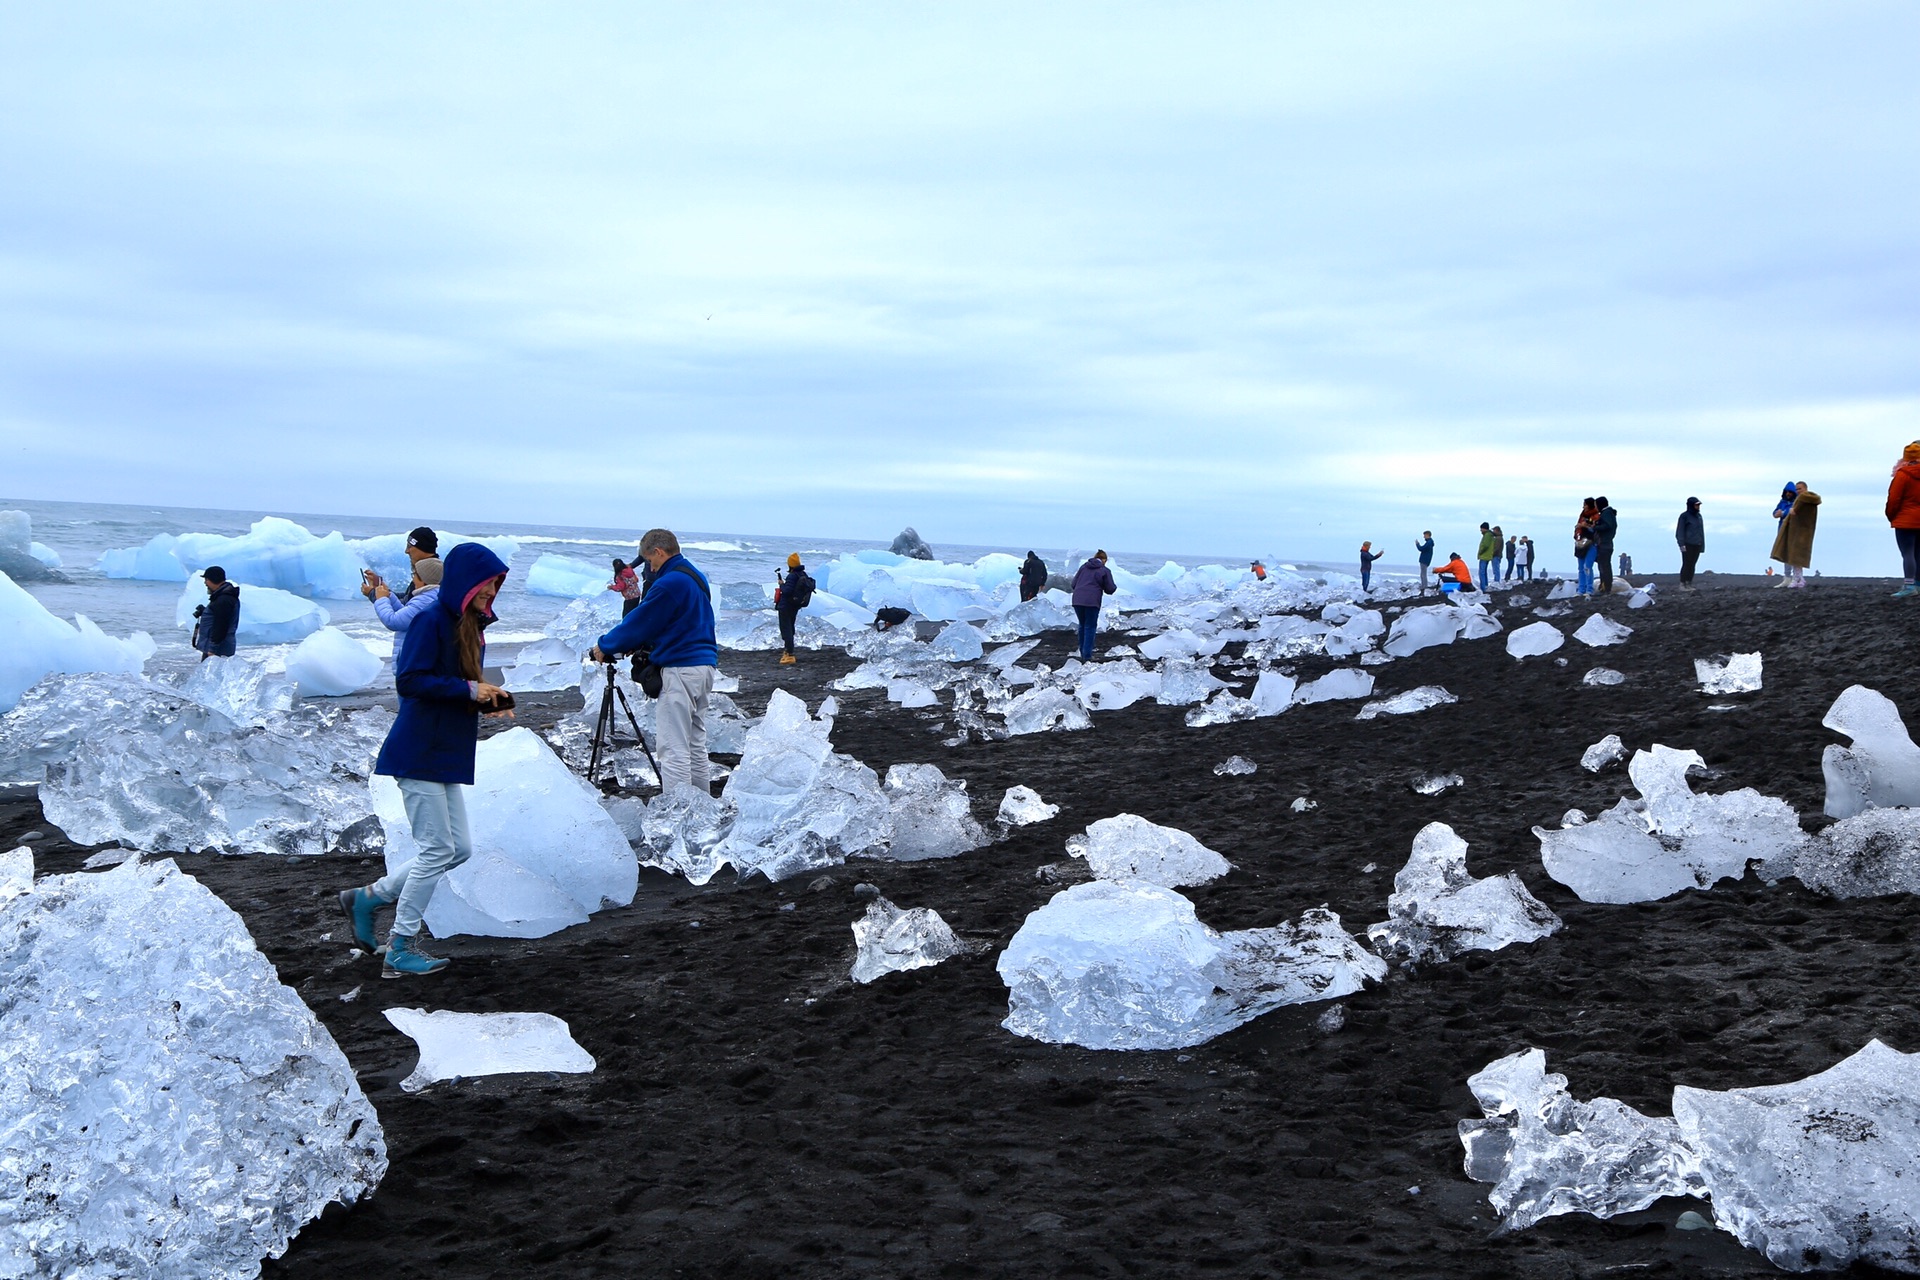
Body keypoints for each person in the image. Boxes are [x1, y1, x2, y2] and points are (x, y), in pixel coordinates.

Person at [337, 543, 513, 978]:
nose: (492, 592)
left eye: (496, 586)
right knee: (437, 850)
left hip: (444, 751)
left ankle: (368, 898)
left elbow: (456, 682)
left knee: (457, 849)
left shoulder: (467, 625)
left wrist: (492, 698)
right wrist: (472, 692)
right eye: (488, 584)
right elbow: (411, 680)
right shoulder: (430, 620)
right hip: (418, 749)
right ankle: (400, 946)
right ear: (466, 582)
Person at [589, 530, 718, 793]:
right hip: (703, 666)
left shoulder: (671, 582)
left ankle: (680, 812)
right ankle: (703, 810)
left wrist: (604, 645)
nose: (649, 568)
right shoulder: (694, 577)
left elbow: (639, 622)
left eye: (650, 561)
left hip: (681, 668)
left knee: (673, 748)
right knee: (694, 745)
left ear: (658, 552)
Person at [369, 556, 443, 655]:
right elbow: (405, 614)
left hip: (413, 658)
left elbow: (393, 621)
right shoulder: (432, 596)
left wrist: (381, 599)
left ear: (423, 579)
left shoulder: (424, 600)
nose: (413, 580)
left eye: (415, 575)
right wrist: (389, 595)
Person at [1770, 482, 1820, 589]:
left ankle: (1796, 578)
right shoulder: (1786, 502)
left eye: (1799, 489)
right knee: (1787, 554)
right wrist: (1778, 513)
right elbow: (1776, 512)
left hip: (1798, 530)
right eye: (1796, 489)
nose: (1796, 492)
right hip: (1788, 529)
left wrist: (1785, 512)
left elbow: (1796, 511)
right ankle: (1792, 578)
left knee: (1795, 555)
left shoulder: (1802, 500)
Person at [1886, 444, 1920, 598]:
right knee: (1918, 553)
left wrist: (1891, 516)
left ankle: (1909, 585)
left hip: (1905, 521)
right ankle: (1917, 584)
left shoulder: (1902, 475)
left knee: (1908, 553)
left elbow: (1894, 499)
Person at [1070, 551, 1116, 661]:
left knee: (1082, 625)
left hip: (1077, 599)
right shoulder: (1104, 570)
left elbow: (1073, 584)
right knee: (1090, 626)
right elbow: (1110, 589)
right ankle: (1087, 655)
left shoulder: (1083, 567)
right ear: (1104, 559)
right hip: (1092, 601)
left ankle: (1082, 652)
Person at [191, 566, 241, 660]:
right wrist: (205, 611)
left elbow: (221, 625)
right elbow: (219, 616)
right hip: (219, 648)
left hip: (218, 650)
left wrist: (212, 650)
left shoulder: (224, 599)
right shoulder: (223, 597)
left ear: (213, 579)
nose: (205, 583)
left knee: (213, 674)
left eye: (206, 579)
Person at [775, 552, 815, 665]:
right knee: (790, 628)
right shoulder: (803, 574)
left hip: (786, 606)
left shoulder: (792, 576)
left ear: (790, 565)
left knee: (785, 629)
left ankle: (789, 654)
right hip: (795, 605)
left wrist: (782, 584)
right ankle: (788, 651)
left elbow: (787, 591)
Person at [1593, 498, 1619, 594]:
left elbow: (1607, 525)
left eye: (1596, 505)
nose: (1595, 508)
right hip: (1607, 544)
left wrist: (1595, 527)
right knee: (1604, 566)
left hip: (1604, 544)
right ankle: (1604, 586)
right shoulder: (1609, 513)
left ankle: (1606, 587)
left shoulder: (1606, 513)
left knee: (1604, 566)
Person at [1574, 499, 1599, 595]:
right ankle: (1581, 589)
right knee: (1581, 568)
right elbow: (1577, 528)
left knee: (1587, 566)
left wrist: (1586, 526)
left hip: (1591, 543)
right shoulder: (1582, 516)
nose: (1583, 507)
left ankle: (1589, 589)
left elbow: (1595, 530)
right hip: (1581, 544)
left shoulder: (1596, 516)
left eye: (1585, 505)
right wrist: (1577, 534)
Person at [1475, 523, 1500, 591]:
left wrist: (1480, 551)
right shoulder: (1489, 535)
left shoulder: (1487, 535)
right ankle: (1485, 586)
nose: (1480, 530)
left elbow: (1485, 545)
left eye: (1481, 529)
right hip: (1487, 555)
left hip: (1484, 556)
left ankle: (1483, 587)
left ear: (1484, 528)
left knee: (1482, 572)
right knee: (1484, 572)